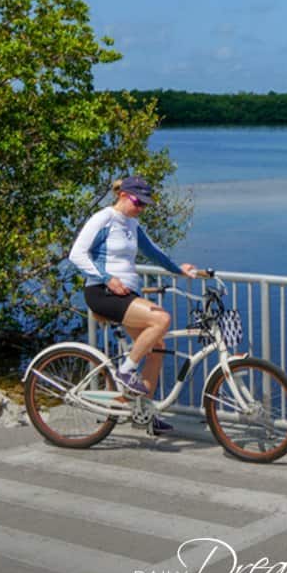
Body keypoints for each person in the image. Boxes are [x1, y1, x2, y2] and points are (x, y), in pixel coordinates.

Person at [68, 173, 197, 435]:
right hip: (102, 291)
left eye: (145, 205)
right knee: (161, 319)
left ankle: (144, 413)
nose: (141, 208)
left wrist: (178, 270)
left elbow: (154, 253)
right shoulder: (104, 218)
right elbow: (76, 254)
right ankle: (126, 372)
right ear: (123, 195)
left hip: (126, 294)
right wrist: (106, 278)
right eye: (139, 202)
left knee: (157, 348)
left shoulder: (132, 225)